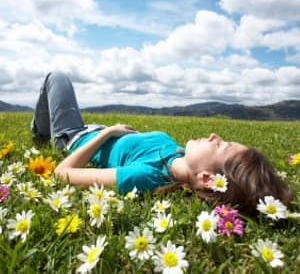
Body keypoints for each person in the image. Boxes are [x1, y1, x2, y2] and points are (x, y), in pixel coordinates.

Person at [31, 72, 293, 215]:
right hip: (95, 130)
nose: (215, 136)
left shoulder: (145, 176)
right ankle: (42, 127)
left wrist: (107, 132)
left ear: (205, 178)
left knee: (57, 78)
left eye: (220, 146)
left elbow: (62, 174)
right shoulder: (181, 157)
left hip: (75, 136)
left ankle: (40, 131)